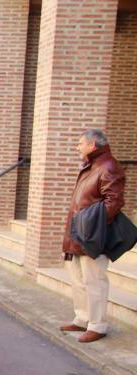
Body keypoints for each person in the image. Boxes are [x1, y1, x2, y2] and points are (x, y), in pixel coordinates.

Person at [59, 129, 125, 343]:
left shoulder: (108, 166)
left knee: (94, 279)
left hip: (92, 234)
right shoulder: (92, 165)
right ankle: (83, 318)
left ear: (92, 145)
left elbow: (114, 201)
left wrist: (94, 227)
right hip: (79, 234)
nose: (78, 147)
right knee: (78, 277)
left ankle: (97, 325)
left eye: (80, 143)